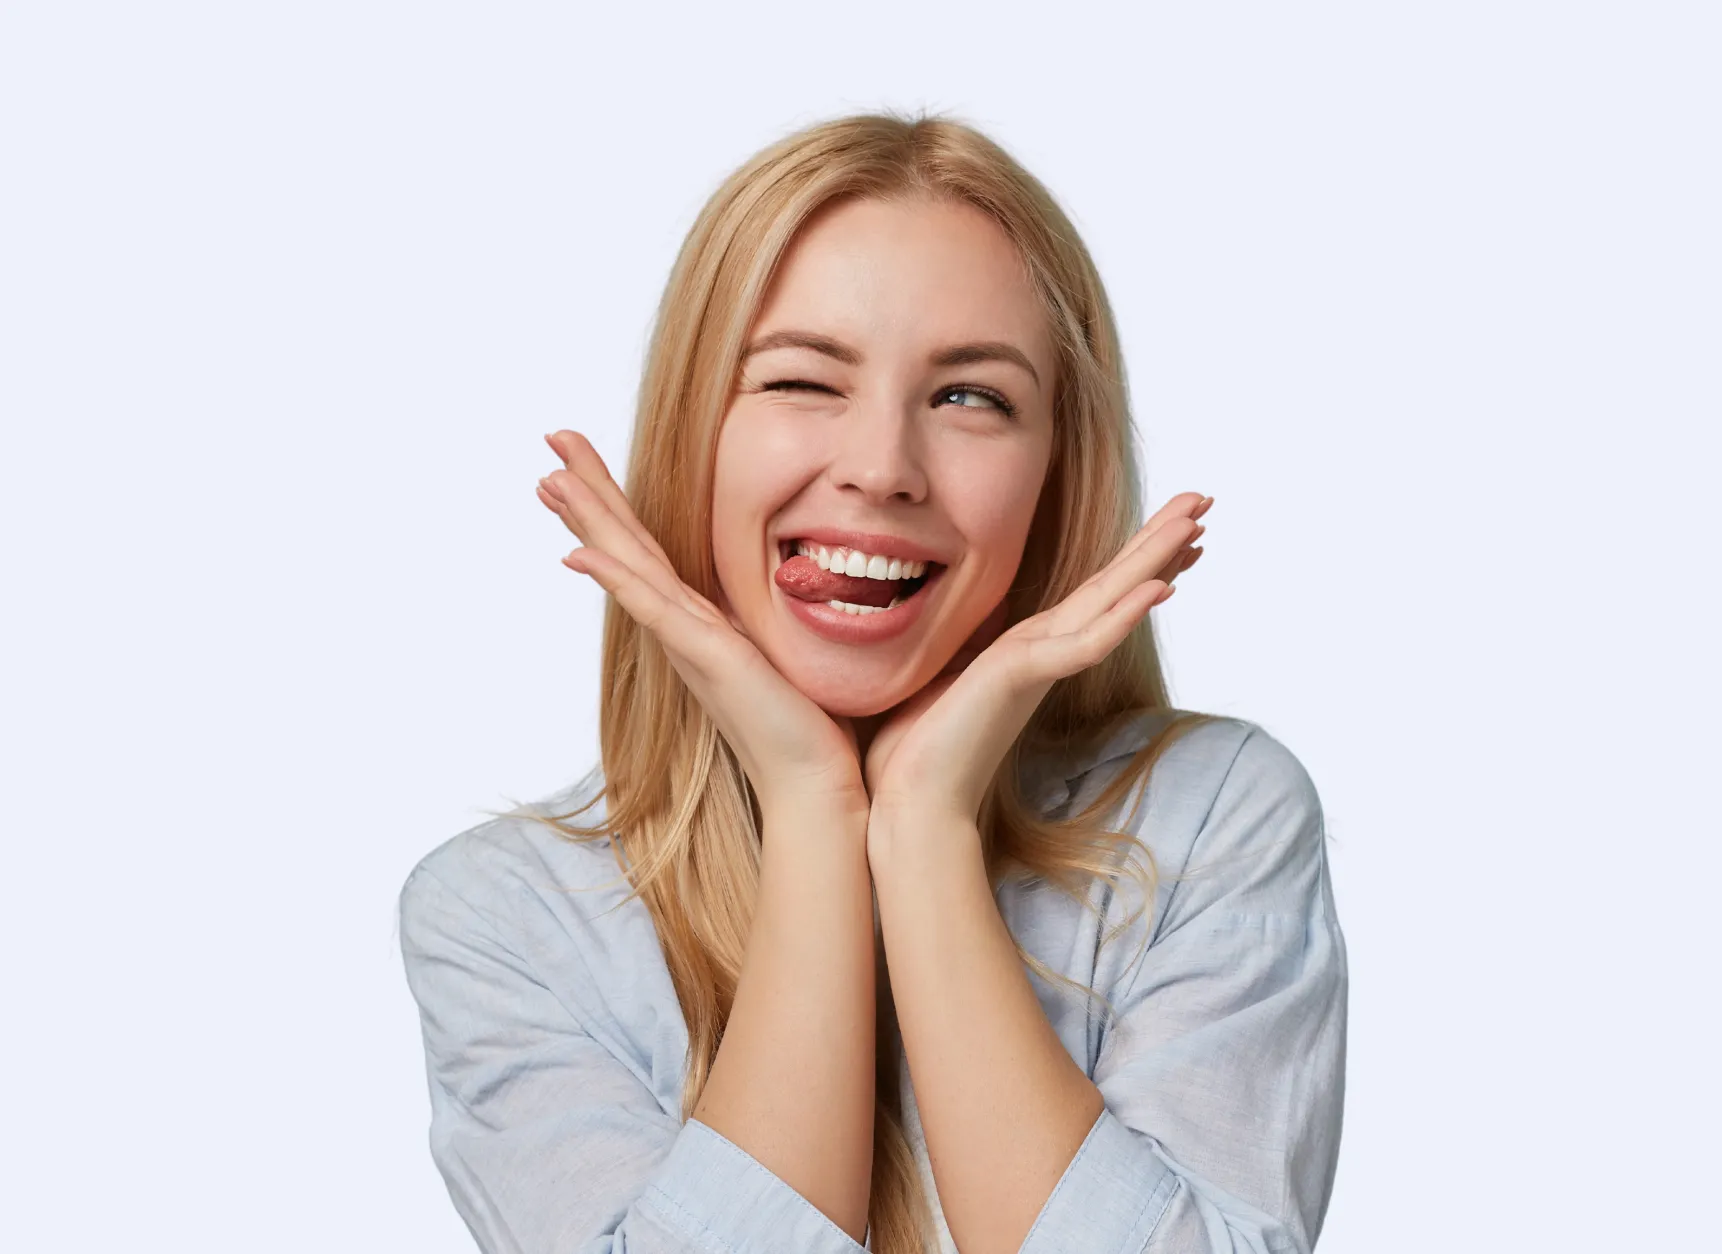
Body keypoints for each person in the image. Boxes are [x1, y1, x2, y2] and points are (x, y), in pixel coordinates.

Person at [397, 110, 1347, 1254]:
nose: (882, 469)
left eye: (970, 398)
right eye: (801, 381)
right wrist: (813, 808)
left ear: (1058, 473)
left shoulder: (1210, 815)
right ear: (694, 429)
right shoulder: (508, 917)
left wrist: (927, 829)